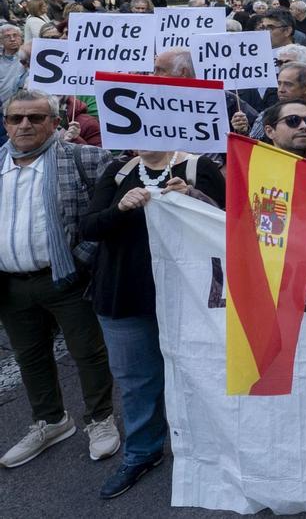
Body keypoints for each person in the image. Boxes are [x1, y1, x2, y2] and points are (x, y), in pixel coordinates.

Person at [79, 147, 223, 497]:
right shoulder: (118, 170)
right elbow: (90, 226)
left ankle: (216, 452)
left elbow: (228, 221)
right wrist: (120, 208)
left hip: (189, 295)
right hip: (124, 293)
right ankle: (143, 452)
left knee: (204, 374)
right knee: (136, 381)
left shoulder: (197, 166)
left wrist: (193, 196)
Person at [0, 89, 119, 469]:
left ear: (53, 122)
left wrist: (81, 261)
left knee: (87, 352)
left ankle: (100, 419)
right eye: (16, 118)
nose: (24, 125)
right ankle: (50, 421)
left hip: (67, 278)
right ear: (5, 123)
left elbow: (112, 215)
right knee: (31, 356)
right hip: (11, 283)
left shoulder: (87, 157)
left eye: (35, 118)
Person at [0, 24, 27, 106]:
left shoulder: (29, 56)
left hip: (23, 104)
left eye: (15, 35)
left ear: (21, 38)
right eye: (7, 36)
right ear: (1, 41)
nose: (12, 39)